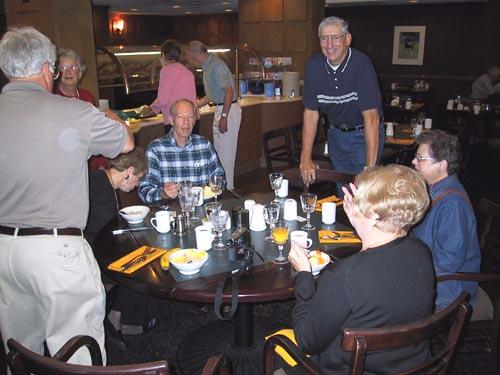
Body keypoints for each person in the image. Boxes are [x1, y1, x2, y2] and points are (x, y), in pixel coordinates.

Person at [0, 26, 134, 366]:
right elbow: (125, 142)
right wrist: (105, 113)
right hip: (56, 251)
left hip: (4, 250)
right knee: (77, 349)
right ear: (49, 69)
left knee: (20, 350)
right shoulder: (72, 111)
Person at [287, 165, 434, 374]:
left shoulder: (344, 275)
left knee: (275, 345)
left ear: (374, 214)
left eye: (359, 197)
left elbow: (306, 342)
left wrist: (303, 274)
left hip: (350, 369)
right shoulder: (421, 251)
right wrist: (358, 215)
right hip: (411, 366)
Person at [300, 16, 384, 189]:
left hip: (363, 135)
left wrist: (369, 168)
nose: (329, 44)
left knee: (364, 192)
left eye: (335, 38)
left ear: (347, 39)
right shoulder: (313, 67)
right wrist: (305, 157)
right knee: (343, 191)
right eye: (324, 38)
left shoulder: (361, 64)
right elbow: (310, 114)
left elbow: (372, 118)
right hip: (336, 135)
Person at [84, 148, 158, 336]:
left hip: (89, 250)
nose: (137, 183)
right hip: (91, 259)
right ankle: (132, 323)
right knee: (142, 262)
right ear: (129, 171)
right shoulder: (102, 191)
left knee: (139, 252)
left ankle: (116, 313)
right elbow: (103, 237)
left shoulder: (98, 179)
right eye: (139, 177)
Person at [412, 129, 481, 310]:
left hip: (448, 291)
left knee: (383, 298)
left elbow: (448, 263)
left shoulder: (452, 204)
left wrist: (409, 269)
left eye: (420, 158)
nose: (413, 162)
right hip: (428, 273)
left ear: (441, 165)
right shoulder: (433, 190)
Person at [139, 98, 224, 202]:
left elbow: (219, 176)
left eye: (190, 117)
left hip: (201, 209)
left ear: (195, 119)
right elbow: (144, 191)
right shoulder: (156, 149)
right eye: (181, 117)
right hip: (170, 211)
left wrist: (214, 188)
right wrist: (164, 193)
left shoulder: (204, 145)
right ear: (171, 120)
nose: (186, 122)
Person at [187, 40, 241, 191]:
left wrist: (224, 116)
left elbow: (229, 91)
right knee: (218, 153)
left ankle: (228, 189)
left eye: (189, 56)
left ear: (196, 53)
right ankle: (221, 188)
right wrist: (193, 105)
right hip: (221, 109)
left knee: (226, 155)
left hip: (228, 110)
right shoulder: (207, 67)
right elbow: (212, 95)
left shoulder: (216, 65)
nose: (189, 60)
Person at [141, 39, 199, 133]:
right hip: (192, 120)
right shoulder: (187, 72)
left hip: (177, 121)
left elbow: (163, 99)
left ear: (163, 55)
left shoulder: (166, 70)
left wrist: (150, 109)